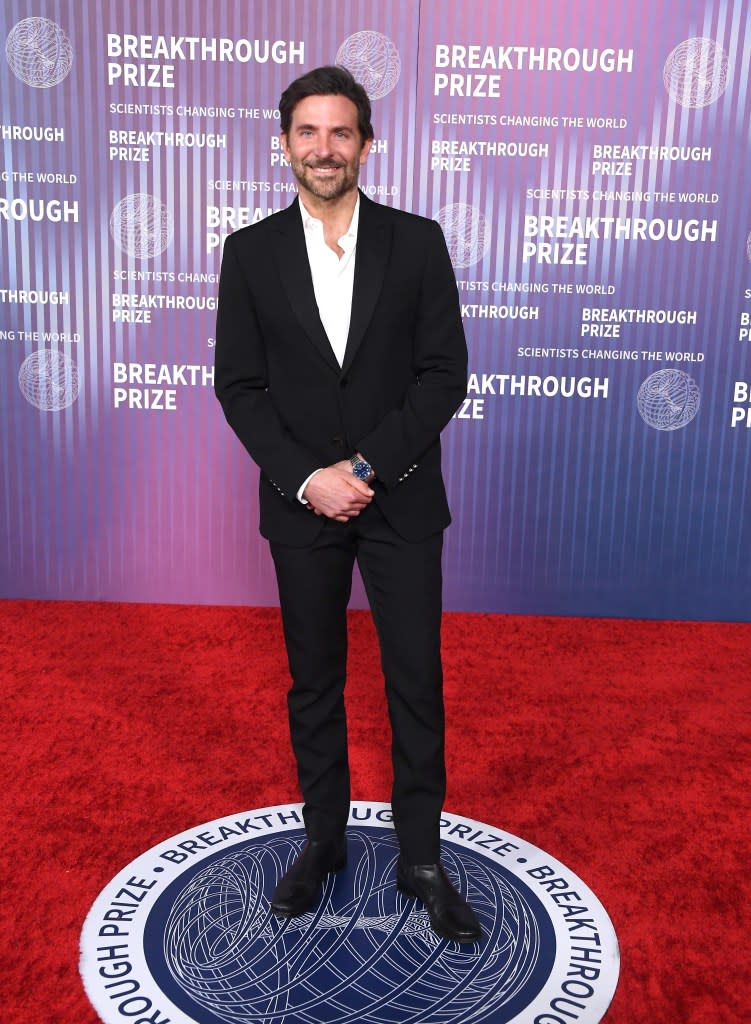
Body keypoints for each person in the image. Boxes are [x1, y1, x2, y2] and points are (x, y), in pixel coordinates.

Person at [214, 65, 480, 943]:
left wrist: (363, 468)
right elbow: (240, 388)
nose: (323, 149)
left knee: (415, 681)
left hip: (400, 501)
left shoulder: (417, 241)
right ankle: (322, 839)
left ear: (368, 143)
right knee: (314, 681)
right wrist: (308, 478)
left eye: (340, 133)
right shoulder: (248, 252)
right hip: (300, 510)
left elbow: (444, 373)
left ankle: (421, 858)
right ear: (282, 143)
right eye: (307, 132)